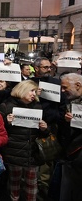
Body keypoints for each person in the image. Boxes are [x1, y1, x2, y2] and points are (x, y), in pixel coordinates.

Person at [0, 80, 48, 201]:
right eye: (31, 91)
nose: (34, 94)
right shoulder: (6, 106)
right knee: (14, 182)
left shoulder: (37, 106)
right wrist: (7, 123)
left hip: (32, 152)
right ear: (22, 89)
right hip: (14, 151)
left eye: (35, 92)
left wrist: (45, 128)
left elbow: (44, 132)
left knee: (32, 183)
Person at [31, 57, 66, 200]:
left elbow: (62, 105)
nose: (48, 70)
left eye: (49, 67)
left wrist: (54, 117)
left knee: (47, 159)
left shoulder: (55, 83)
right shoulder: (28, 83)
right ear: (36, 68)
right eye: (45, 67)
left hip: (49, 126)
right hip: (31, 126)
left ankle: (43, 186)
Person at [59, 73, 82, 200]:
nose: (62, 91)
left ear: (78, 85)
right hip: (71, 152)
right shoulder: (69, 100)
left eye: (65, 87)